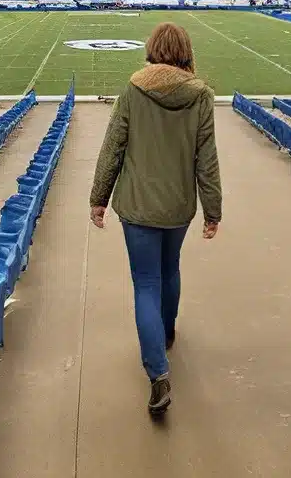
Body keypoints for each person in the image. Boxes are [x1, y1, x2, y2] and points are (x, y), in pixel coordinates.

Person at [89, 21, 222, 416]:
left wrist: (99, 197)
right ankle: (166, 333)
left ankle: (158, 374)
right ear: (185, 51)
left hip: (138, 206)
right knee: (169, 271)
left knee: (145, 283)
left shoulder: (134, 89)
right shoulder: (201, 96)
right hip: (179, 206)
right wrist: (213, 209)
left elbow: (112, 147)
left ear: (151, 48)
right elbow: (207, 160)